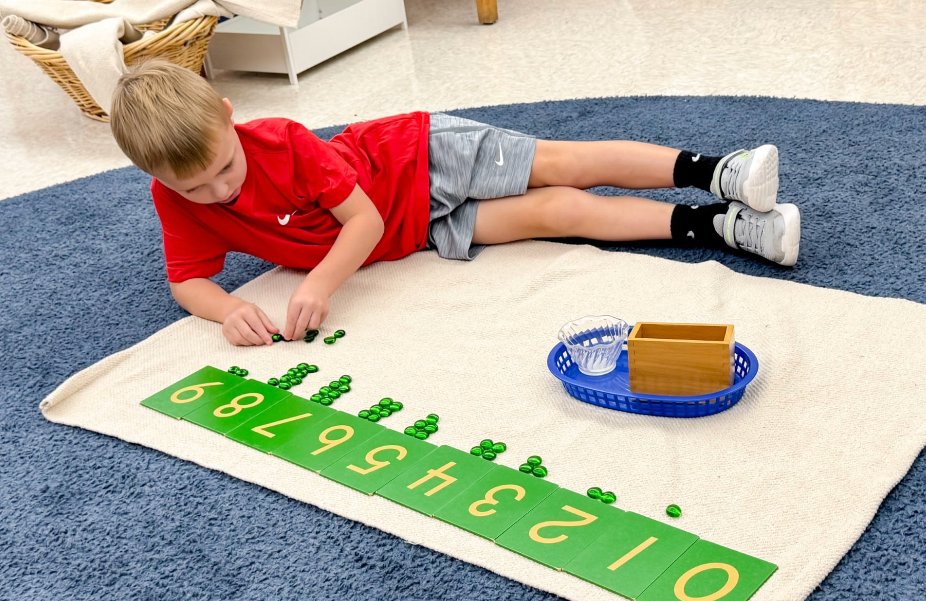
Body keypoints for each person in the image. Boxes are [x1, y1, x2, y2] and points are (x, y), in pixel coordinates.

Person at [110, 60, 800, 347]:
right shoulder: (175, 198)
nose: (219, 193)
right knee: (554, 212)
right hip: (416, 233)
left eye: (225, 169)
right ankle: (723, 228)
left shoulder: (284, 143)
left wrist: (321, 280)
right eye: (193, 188)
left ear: (232, 117)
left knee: (563, 163)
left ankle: (719, 172)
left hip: (416, 157)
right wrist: (228, 308)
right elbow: (187, 280)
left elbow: (363, 219)